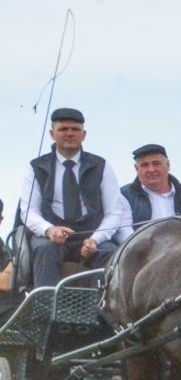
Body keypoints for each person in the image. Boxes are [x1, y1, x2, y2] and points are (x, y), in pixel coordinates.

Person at [18, 107, 126, 287]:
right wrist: (49, 230)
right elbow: (28, 211)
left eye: (75, 129)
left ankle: (99, 311)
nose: (70, 134)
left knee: (110, 252)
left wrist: (95, 239)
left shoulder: (101, 166)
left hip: (90, 235)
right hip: (50, 237)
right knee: (44, 250)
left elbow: (114, 211)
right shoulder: (36, 167)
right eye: (63, 129)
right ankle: (46, 310)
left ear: (84, 134)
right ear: (52, 134)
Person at [115, 143, 181, 241]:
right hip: (146, 253)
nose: (151, 170)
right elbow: (124, 231)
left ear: (168, 165)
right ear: (136, 169)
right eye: (144, 165)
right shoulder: (124, 195)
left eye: (156, 164)